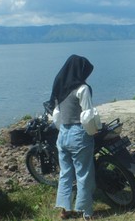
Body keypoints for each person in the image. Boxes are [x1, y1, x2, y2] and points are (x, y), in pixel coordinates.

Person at [49, 54, 102, 220]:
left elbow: (56, 115)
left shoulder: (59, 88)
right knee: (83, 173)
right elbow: (87, 115)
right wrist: (93, 131)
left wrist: (63, 129)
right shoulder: (82, 89)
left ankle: (64, 210)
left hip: (63, 134)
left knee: (65, 174)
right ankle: (86, 212)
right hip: (78, 134)